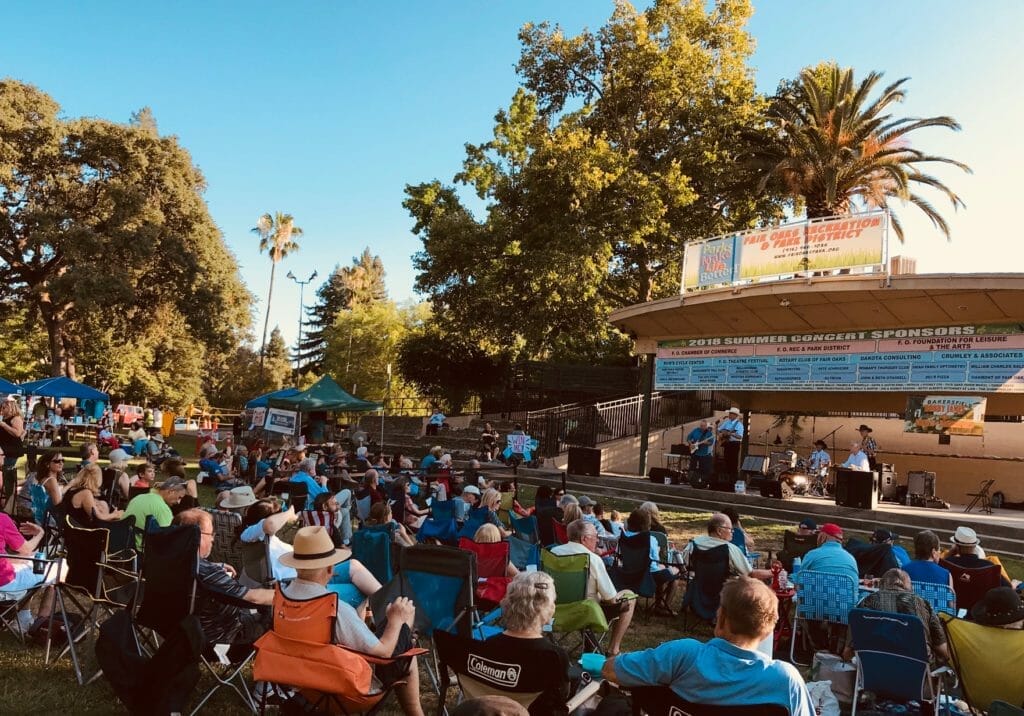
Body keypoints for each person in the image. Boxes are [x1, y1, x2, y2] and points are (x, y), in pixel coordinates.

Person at [602, 576, 814, 715]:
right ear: (768, 631)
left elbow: (611, 670)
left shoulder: (682, 655)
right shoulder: (785, 681)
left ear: (720, 618)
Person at [279, 526, 424, 716]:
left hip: (305, 684)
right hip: (343, 686)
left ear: (296, 565)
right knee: (404, 635)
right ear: (331, 569)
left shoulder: (281, 600)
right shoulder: (334, 608)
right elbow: (383, 652)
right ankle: (415, 711)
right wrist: (396, 621)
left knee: (401, 639)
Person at [173, 508, 274, 646]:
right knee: (271, 614)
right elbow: (253, 598)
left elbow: (199, 568)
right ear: (197, 536)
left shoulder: (167, 558)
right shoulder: (208, 573)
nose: (213, 539)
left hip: (171, 629)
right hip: (219, 638)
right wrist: (284, 595)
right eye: (210, 534)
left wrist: (216, 566)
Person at [484, 571, 572, 716]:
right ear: (550, 610)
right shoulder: (553, 656)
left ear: (507, 605)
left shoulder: (489, 644)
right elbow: (558, 703)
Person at [550, 519, 635, 655]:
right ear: (584, 539)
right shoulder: (592, 559)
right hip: (585, 613)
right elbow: (611, 599)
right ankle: (614, 649)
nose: (597, 541)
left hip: (554, 611)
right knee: (629, 595)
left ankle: (589, 645)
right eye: (596, 537)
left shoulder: (553, 553)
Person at [848, 568, 949, 662]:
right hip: (916, 668)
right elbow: (943, 651)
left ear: (882, 584)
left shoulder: (867, 602)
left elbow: (848, 652)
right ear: (908, 586)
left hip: (875, 666)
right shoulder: (922, 603)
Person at [0, 512, 58, 632]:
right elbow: (26, 549)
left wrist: (20, 559)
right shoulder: (2, 519)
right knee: (58, 570)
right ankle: (41, 627)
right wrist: (39, 534)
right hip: (5, 586)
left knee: (27, 565)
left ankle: (24, 619)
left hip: (6, 577)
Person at [679, 513, 772, 581]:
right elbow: (750, 573)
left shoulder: (694, 543)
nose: (733, 532)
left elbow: (683, 564)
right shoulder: (730, 549)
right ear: (719, 531)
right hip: (724, 597)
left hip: (697, 595)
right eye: (730, 529)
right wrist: (773, 572)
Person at [623, 510, 679, 616]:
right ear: (647, 525)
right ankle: (662, 605)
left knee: (660, 569)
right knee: (674, 574)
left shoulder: (625, 536)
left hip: (628, 572)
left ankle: (659, 604)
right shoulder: (651, 539)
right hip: (648, 575)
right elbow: (655, 560)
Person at [123, 476, 189, 547]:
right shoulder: (162, 508)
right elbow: (170, 538)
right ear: (170, 492)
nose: (179, 502)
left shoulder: (138, 497)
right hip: (142, 550)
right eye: (179, 497)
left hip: (124, 542)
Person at [943, 526, 1013, 587]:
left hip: (954, 601)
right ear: (975, 546)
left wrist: (950, 554)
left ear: (956, 547)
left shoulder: (948, 563)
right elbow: (1008, 586)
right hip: (982, 602)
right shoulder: (988, 566)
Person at [17, 452, 66, 518]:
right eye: (56, 461)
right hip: (45, 518)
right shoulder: (51, 480)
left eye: (62, 460)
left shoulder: (39, 477)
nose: (61, 463)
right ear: (47, 464)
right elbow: (58, 505)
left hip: (31, 511)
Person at [717, 407, 744, 480]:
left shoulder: (739, 425)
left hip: (734, 444)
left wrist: (731, 434)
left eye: (731, 414)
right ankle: (727, 477)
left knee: (733, 461)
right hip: (727, 444)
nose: (729, 415)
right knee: (726, 460)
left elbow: (740, 436)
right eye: (729, 413)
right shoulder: (726, 422)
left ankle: (733, 479)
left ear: (735, 415)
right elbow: (719, 430)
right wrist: (721, 434)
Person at [685, 419, 715, 484]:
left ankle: (701, 481)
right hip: (695, 452)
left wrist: (705, 442)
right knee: (692, 466)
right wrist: (691, 444)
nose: (702, 427)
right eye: (701, 425)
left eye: (703, 426)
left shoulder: (709, 433)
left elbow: (711, 443)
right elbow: (688, 438)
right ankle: (690, 480)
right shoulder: (696, 430)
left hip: (703, 453)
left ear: (706, 426)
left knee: (703, 468)